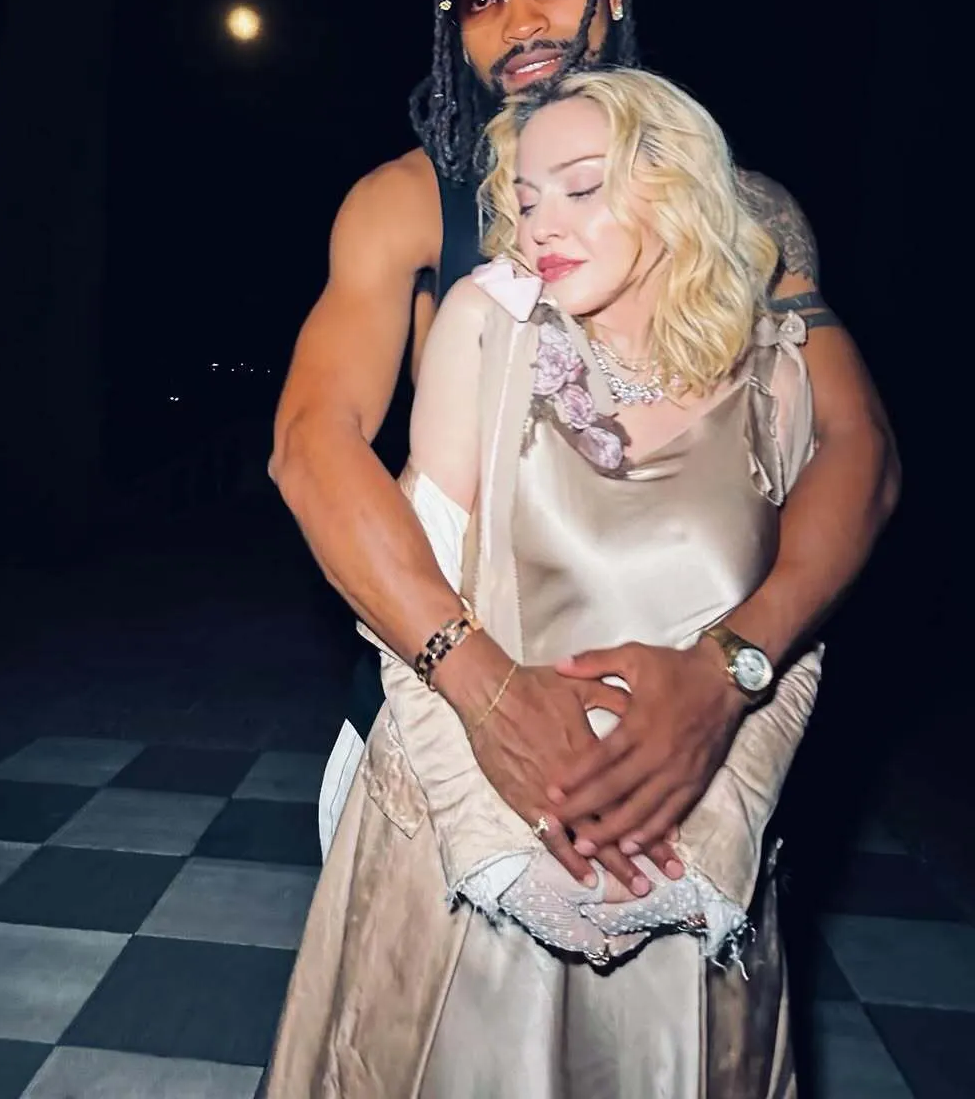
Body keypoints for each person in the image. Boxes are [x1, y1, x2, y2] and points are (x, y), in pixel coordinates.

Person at [271, 0, 899, 897]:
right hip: (442, 739)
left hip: (691, 770)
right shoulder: (406, 206)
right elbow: (311, 447)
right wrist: (486, 692)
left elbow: (857, 447)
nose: (519, 17)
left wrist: (733, 671)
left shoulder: (747, 218)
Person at [264, 66, 838, 1096]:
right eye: (526, 202)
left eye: (581, 188)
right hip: (481, 871)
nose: (541, 228)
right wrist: (503, 858)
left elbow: (791, 638)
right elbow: (409, 603)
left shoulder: (779, 379)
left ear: (675, 188)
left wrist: (711, 854)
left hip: (684, 891)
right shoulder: (493, 328)